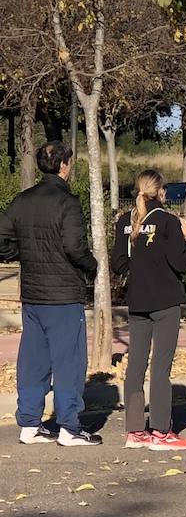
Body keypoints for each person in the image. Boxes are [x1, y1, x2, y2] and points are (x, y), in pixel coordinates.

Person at [0, 140, 101, 445]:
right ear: (62, 166)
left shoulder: (21, 201)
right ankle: (69, 427)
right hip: (63, 295)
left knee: (33, 360)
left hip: (33, 295)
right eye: (69, 162)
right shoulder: (67, 202)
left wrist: (24, 253)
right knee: (69, 361)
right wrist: (91, 265)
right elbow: (74, 247)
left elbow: (2, 241)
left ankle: (29, 424)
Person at [111, 169, 186, 450]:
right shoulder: (168, 221)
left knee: (136, 365)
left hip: (137, 302)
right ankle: (161, 432)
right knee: (161, 367)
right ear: (161, 192)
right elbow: (181, 263)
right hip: (164, 302)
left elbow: (118, 264)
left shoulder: (126, 221)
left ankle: (135, 432)